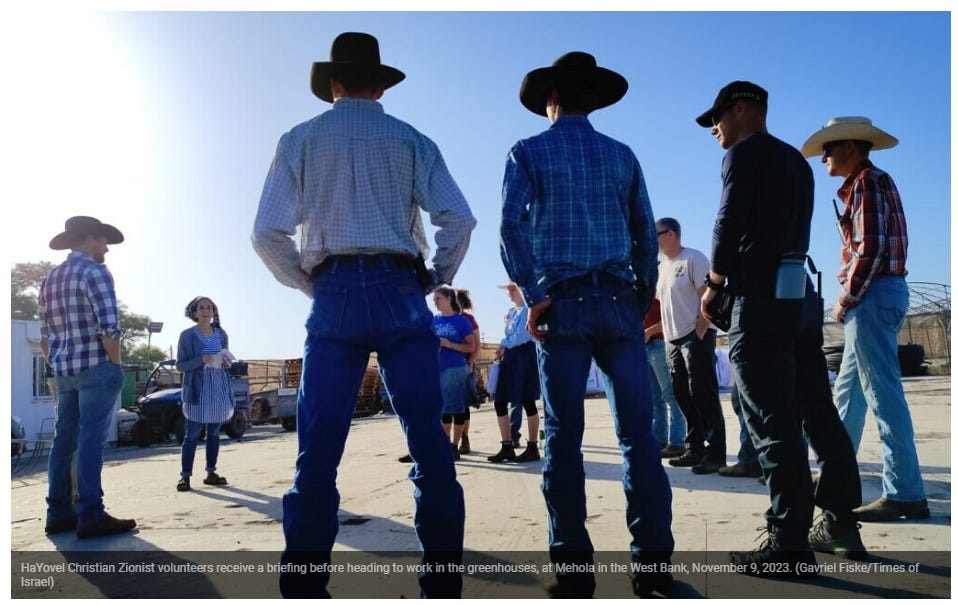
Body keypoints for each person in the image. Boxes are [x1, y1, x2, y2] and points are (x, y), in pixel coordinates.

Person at [251, 32, 475, 598]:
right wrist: (434, 276)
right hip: (401, 288)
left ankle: (305, 588)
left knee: (318, 449)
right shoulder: (411, 140)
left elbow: (266, 231)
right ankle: (441, 586)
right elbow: (460, 219)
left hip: (335, 291)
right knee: (429, 443)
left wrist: (309, 282)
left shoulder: (300, 139)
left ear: (332, 84)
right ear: (381, 86)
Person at [500, 51, 673, 598]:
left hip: (563, 302)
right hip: (618, 300)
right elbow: (644, 232)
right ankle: (653, 569)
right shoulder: (622, 155)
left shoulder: (528, 150)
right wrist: (638, 296)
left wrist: (534, 295)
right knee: (638, 438)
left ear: (550, 98)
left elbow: (511, 229)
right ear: (592, 100)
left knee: (563, 438)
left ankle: (574, 571)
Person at [697, 81, 866, 574]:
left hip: (759, 297)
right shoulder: (796, 161)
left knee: (772, 420)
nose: (714, 130)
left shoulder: (742, 154)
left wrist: (714, 282)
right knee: (817, 410)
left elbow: (728, 221)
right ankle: (839, 521)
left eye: (716, 119)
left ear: (740, 109)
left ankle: (788, 544)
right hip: (798, 295)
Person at [801, 117, 928, 522]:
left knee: (882, 396)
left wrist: (846, 297)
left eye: (828, 148)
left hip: (871, 296)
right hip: (878, 294)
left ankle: (905, 493)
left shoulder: (867, 183)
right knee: (849, 394)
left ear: (850, 147)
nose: (823, 156)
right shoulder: (869, 183)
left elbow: (869, 248)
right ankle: (837, 473)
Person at [39, 216, 136, 539]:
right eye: (103, 241)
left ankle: (58, 513)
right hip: (96, 367)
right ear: (90, 238)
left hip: (64, 371)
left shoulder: (50, 278)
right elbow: (109, 327)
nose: (106, 248)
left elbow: (45, 336)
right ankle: (91, 513)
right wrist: (116, 365)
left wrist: (57, 365)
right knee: (91, 439)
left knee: (63, 441)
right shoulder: (95, 272)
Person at [655, 217, 727, 474]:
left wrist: (700, 329)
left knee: (703, 393)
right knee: (682, 394)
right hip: (672, 339)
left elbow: (708, 295)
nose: (653, 240)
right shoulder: (662, 268)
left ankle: (716, 453)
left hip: (694, 336)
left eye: (657, 234)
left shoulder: (693, 259)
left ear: (671, 234)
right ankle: (694, 448)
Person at [175, 296, 235, 492]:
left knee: (214, 433)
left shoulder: (221, 334)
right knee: (192, 434)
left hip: (218, 386)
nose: (205, 310)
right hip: (198, 388)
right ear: (194, 312)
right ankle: (185, 476)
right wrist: (201, 360)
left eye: (209, 307)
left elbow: (227, 359)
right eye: (201, 307)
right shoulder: (187, 335)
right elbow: (180, 365)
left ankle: (211, 473)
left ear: (213, 312)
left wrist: (226, 362)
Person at [486, 282, 541, 463]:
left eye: (512, 289)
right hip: (511, 357)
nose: (509, 292)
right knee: (501, 401)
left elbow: (521, 336)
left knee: (528, 401)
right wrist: (506, 344)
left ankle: (532, 446)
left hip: (523, 357)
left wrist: (503, 343)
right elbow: (513, 335)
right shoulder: (513, 311)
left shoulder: (526, 310)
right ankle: (507, 445)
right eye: (508, 289)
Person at [431, 286, 476, 460]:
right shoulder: (434, 320)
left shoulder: (461, 321)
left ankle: (454, 446)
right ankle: (444, 444)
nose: (435, 302)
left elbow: (471, 346)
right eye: (434, 299)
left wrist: (451, 345)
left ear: (449, 298)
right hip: (437, 368)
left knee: (455, 407)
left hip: (455, 368)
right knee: (442, 409)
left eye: (438, 298)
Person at [643, 297, 686, 458]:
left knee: (670, 395)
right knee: (655, 398)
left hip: (659, 344)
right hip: (645, 345)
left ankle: (677, 442)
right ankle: (659, 440)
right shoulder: (640, 292)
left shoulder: (660, 291)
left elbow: (671, 316)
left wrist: (649, 331)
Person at [455, 288, 481, 454]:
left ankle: (464, 438)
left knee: (463, 404)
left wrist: (470, 363)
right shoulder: (444, 319)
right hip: (446, 368)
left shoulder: (468, 319)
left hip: (464, 366)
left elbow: (476, 345)